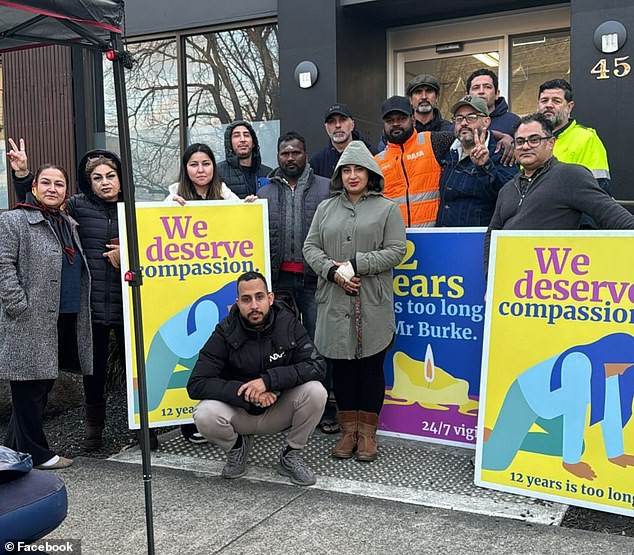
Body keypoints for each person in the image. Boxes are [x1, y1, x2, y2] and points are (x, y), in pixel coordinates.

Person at [8, 138, 159, 451]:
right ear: (88, 183)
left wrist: (129, 254)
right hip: (90, 308)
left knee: (137, 369)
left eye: (110, 176)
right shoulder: (76, 207)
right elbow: (38, 207)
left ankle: (146, 431)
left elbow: (161, 249)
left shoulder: (136, 209)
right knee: (94, 370)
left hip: (129, 303)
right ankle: (94, 432)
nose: (105, 182)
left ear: (120, 178)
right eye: (97, 177)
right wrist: (23, 175)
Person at [303, 140, 407, 462]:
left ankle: (367, 436)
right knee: (343, 370)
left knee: (370, 369)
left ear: (370, 173)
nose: (352, 176)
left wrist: (358, 265)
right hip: (334, 299)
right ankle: (348, 433)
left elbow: (396, 250)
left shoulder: (387, 209)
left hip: (371, 301)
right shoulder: (325, 209)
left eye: (358, 169)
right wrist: (333, 271)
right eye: (346, 170)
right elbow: (310, 248)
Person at [187, 271, 327, 486]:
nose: (254, 305)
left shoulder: (288, 323)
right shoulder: (225, 331)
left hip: (278, 406)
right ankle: (237, 448)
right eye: (246, 299)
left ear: (270, 299)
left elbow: (316, 365)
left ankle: (290, 455)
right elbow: (196, 384)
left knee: (316, 391)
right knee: (204, 414)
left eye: (259, 297)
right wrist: (246, 393)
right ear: (238, 303)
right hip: (241, 410)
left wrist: (269, 381)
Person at [0, 164, 92, 469]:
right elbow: (3, 265)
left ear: (66, 191)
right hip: (29, 319)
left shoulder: (67, 223)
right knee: (29, 388)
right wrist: (18, 305)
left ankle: (12, 451)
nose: (53, 188)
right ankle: (39, 455)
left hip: (62, 317)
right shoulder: (15, 220)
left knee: (42, 385)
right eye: (47, 183)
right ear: (35, 187)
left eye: (60, 184)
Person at [164, 143, 253, 444]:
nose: (200, 170)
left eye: (205, 163)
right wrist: (167, 212)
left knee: (222, 355)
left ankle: (224, 416)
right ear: (185, 169)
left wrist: (250, 208)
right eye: (194, 164)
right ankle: (188, 422)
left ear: (214, 167)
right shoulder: (173, 197)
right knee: (192, 358)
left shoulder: (226, 195)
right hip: (187, 292)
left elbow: (244, 225)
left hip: (219, 293)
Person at [258, 132, 337, 433]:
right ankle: (283, 407)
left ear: (306, 154)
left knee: (319, 343)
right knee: (279, 345)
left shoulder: (326, 188)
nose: (290, 157)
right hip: (277, 281)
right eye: (285, 153)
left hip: (314, 279)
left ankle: (325, 407)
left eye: (296, 152)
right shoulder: (264, 194)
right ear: (277, 157)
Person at [484, 113, 634, 268]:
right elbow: (492, 237)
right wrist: (491, 281)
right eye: (520, 141)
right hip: (510, 282)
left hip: (550, 285)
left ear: (551, 142)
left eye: (534, 140)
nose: (526, 146)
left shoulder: (570, 176)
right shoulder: (507, 189)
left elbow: (614, 217)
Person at [482, 333, 634, 480]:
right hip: (526, 397)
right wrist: (571, 463)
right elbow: (575, 411)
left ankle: (499, 437)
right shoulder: (578, 362)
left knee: (571, 446)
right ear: (610, 357)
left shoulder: (611, 373)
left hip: (551, 408)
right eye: (622, 366)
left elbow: (612, 411)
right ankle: (501, 441)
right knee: (496, 462)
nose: (622, 372)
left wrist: (616, 454)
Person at [537, 78, 610, 228]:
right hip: (535, 224)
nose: (549, 105)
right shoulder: (530, 141)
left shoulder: (586, 138)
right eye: (544, 100)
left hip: (572, 229)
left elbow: (598, 191)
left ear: (570, 107)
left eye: (556, 101)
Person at [436, 95, 518, 227]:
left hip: (479, 241)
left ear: (486, 121)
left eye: (471, 117)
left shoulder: (503, 152)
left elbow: (509, 200)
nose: (463, 123)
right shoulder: (447, 149)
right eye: (459, 118)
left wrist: (485, 166)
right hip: (446, 239)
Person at [375, 95, 453, 227]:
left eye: (401, 119)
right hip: (396, 242)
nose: (395, 124)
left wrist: (498, 137)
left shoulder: (433, 141)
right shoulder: (376, 161)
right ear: (383, 125)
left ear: (413, 119)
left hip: (434, 238)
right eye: (390, 120)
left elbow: (465, 135)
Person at [216, 120, 272, 198]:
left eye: (246, 135)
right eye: (236, 135)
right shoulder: (218, 173)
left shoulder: (268, 173)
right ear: (230, 143)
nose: (242, 139)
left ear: (253, 143)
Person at [310, 103, 361, 179]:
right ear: (326, 128)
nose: (337, 125)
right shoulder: (317, 162)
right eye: (331, 121)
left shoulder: (370, 155)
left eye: (343, 120)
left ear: (352, 124)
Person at [466, 69, 519, 137]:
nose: (481, 91)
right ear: (467, 96)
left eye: (487, 87)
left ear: (497, 94)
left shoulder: (513, 122)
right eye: (476, 88)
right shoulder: (459, 124)